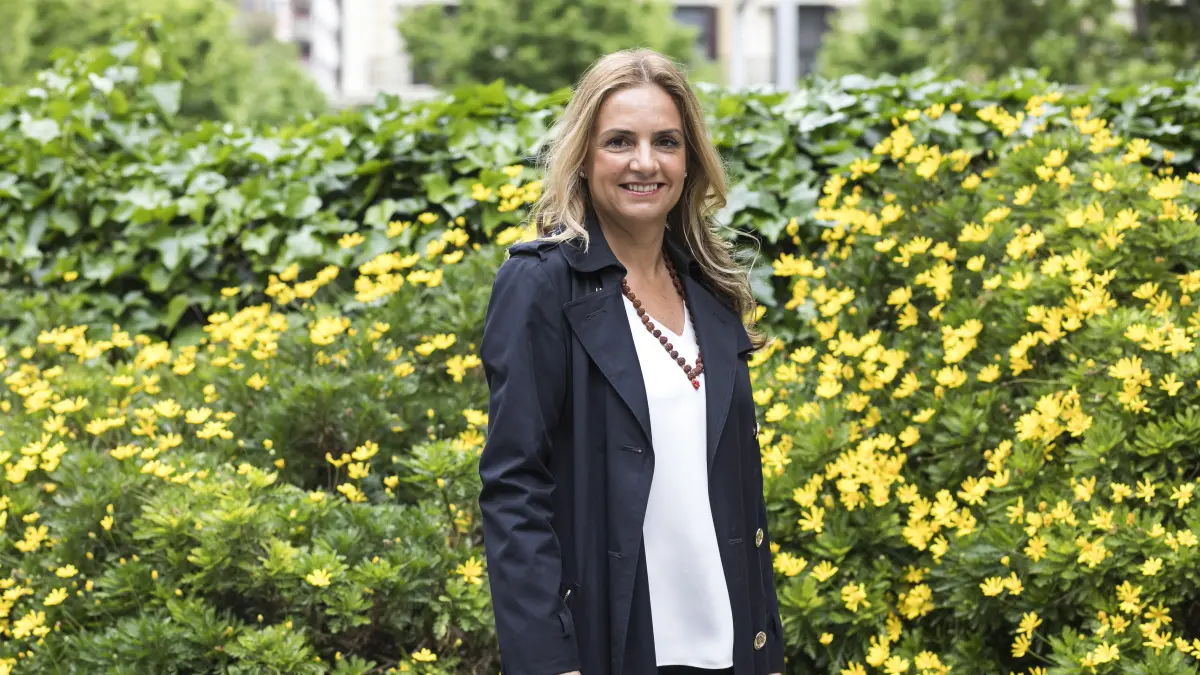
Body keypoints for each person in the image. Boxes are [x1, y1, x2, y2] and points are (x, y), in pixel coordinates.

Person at [477, 48, 786, 675]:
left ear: (689, 159)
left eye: (665, 141)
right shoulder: (540, 286)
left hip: (728, 647)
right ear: (584, 157)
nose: (645, 162)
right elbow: (515, 489)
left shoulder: (710, 291)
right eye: (619, 141)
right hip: (611, 648)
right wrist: (548, 662)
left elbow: (738, 497)